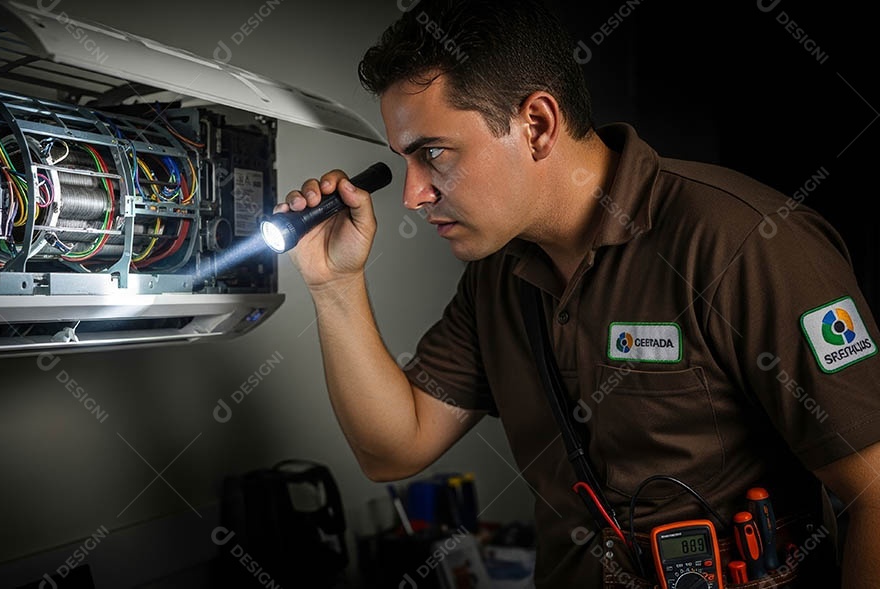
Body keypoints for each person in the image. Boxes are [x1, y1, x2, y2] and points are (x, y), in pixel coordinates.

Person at [273, 0, 880, 587]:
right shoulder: (496, 275)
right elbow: (393, 450)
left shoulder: (744, 244)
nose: (413, 195)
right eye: (407, 160)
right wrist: (335, 283)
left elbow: (875, 492)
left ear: (536, 125)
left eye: (433, 153)